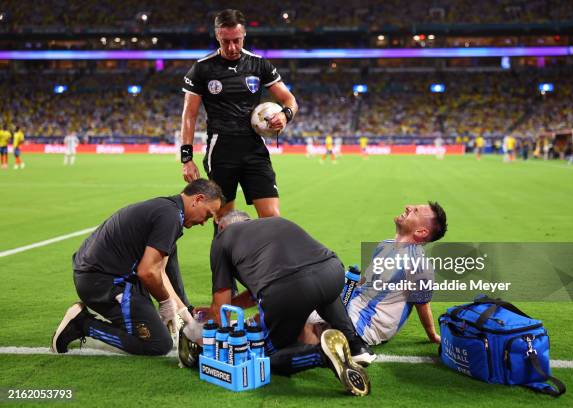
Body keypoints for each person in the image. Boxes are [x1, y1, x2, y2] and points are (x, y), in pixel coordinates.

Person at [192, 211, 373, 396]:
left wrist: (209, 340)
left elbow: (222, 307)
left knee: (267, 356)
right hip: (332, 272)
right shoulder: (275, 222)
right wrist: (224, 307)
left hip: (288, 290)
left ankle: (321, 355)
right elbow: (258, 291)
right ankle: (355, 343)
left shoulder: (223, 238)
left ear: (222, 227)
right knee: (321, 289)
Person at [51, 179, 224, 356]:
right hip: (101, 282)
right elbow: (147, 272)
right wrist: (165, 303)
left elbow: (161, 272)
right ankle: (82, 324)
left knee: (170, 250)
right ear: (198, 199)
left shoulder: (168, 210)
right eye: (208, 215)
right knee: (158, 344)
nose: (204, 222)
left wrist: (186, 316)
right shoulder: (170, 217)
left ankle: (155, 316)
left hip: (102, 274)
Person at [180, 9, 298, 221]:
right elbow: (189, 115)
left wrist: (285, 115)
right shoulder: (202, 69)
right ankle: (225, 255)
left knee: (272, 218)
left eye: (237, 40)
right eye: (226, 42)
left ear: (244, 35)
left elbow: (290, 100)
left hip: (254, 150)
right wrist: (186, 159)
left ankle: (266, 255)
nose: (232, 47)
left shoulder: (259, 65)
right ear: (218, 36)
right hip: (221, 151)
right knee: (224, 218)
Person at [302, 202, 447, 347]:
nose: (408, 207)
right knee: (294, 304)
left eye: (415, 211)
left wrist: (432, 335)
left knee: (303, 334)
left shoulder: (418, 265)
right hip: (350, 303)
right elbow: (366, 280)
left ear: (421, 232)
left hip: (367, 323)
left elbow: (422, 305)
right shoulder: (386, 245)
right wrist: (346, 280)